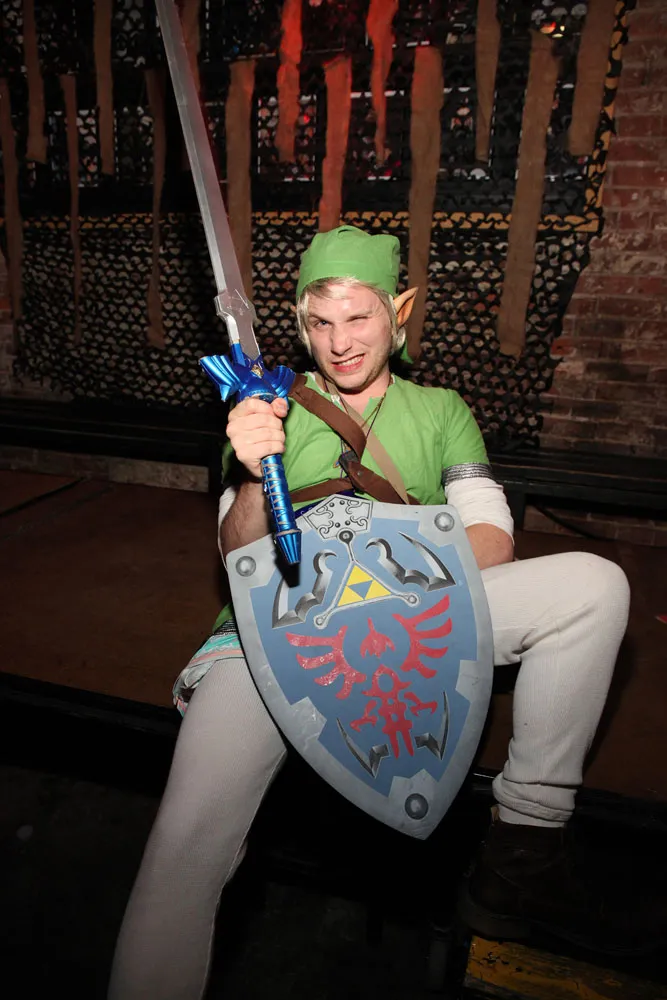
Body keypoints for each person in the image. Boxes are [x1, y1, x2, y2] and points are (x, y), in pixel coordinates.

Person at [109, 225, 637, 999]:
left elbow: (490, 538)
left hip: (413, 606)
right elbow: (237, 555)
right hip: (279, 625)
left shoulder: (441, 410)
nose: (340, 342)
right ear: (300, 324)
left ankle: (524, 846)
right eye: (320, 322)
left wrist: (382, 579)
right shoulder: (264, 407)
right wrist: (254, 473)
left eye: (358, 317)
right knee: (183, 844)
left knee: (593, 585)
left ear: (399, 311)